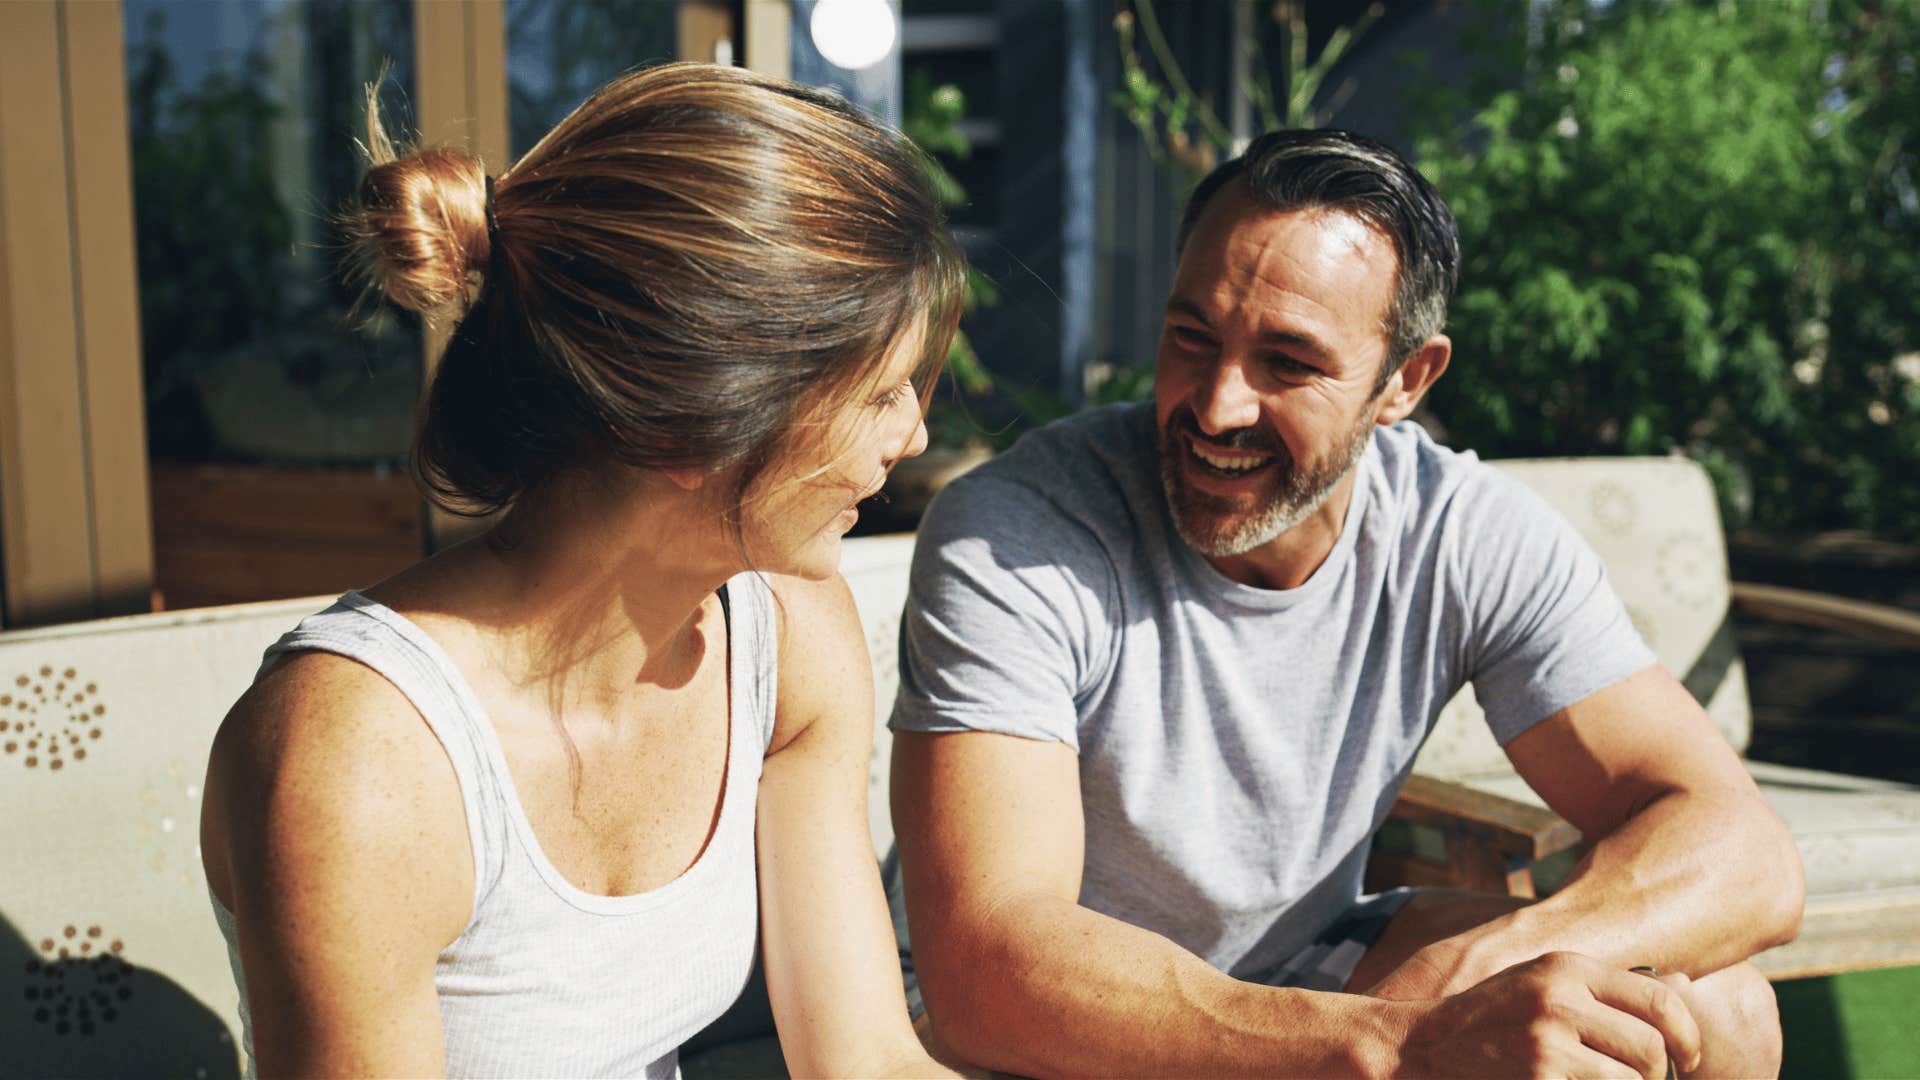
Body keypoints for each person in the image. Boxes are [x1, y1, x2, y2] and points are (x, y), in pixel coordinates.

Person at [888, 129, 1804, 1077]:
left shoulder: (1460, 531)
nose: (1217, 406)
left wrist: (1484, 970)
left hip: (1303, 973)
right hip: (1035, 1025)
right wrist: (1398, 1041)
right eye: (1192, 336)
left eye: (1288, 362)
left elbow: (1747, 855)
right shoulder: (1020, 530)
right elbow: (990, 962)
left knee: (1718, 1012)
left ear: (1405, 380)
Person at [199, 62, 968, 1078]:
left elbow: (865, 1058)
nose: (913, 436)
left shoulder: (791, 631)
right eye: (880, 394)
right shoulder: (361, 761)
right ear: (695, 426)